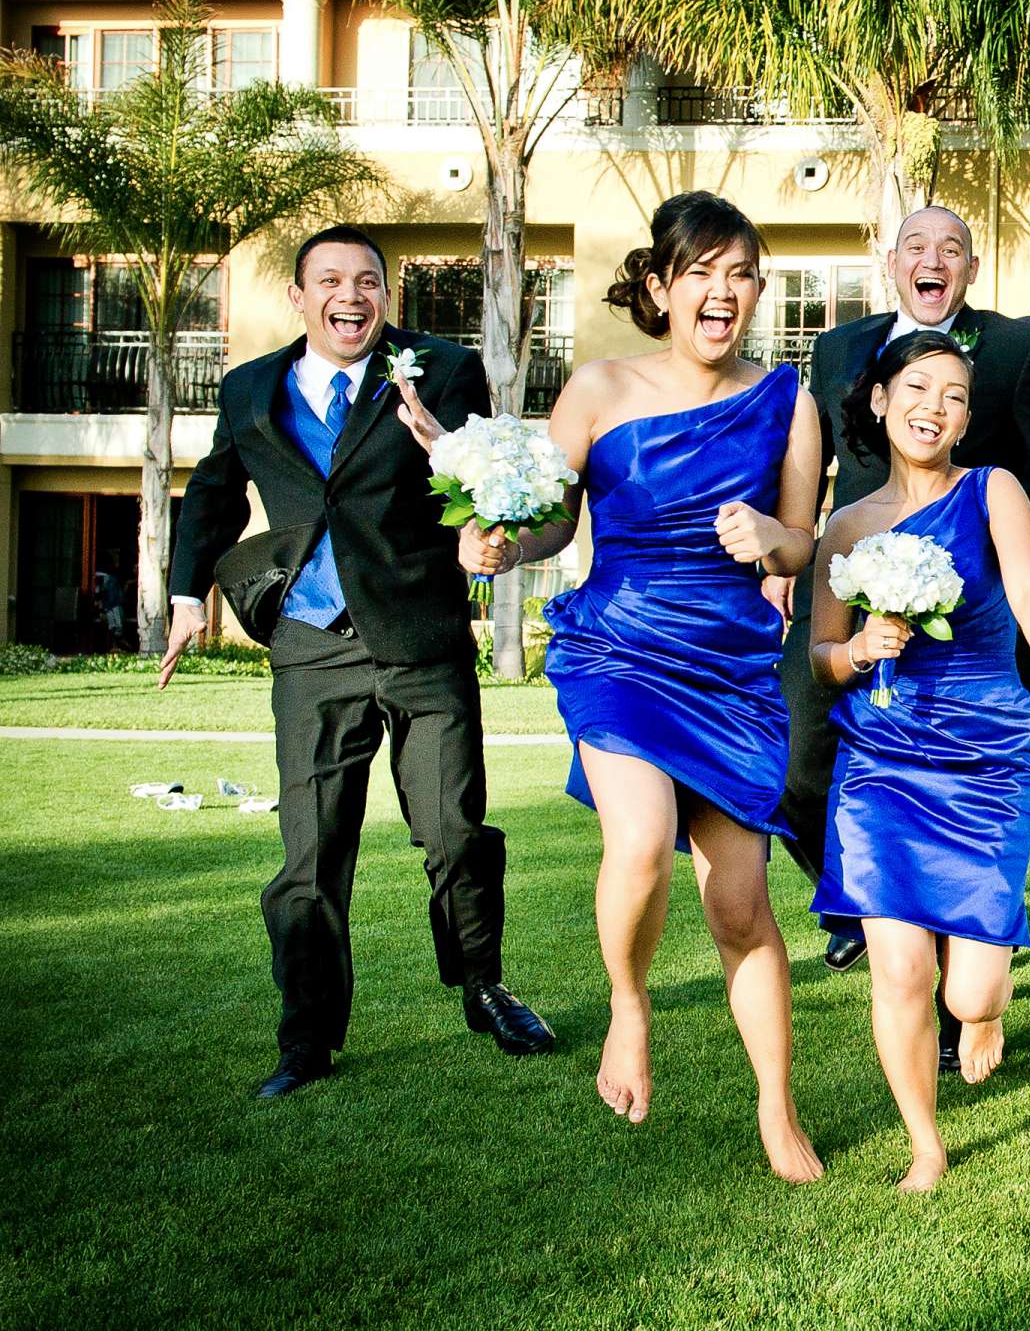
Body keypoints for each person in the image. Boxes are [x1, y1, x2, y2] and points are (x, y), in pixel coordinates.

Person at [443, 192, 825, 1182]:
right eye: (703, 272)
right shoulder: (599, 389)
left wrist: (770, 541)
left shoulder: (790, 400)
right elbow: (550, 523)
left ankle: (777, 1108)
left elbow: (802, 542)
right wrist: (495, 543)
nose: (724, 292)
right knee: (643, 837)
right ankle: (628, 1004)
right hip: (619, 649)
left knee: (741, 908)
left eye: (741, 274)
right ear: (660, 285)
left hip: (732, 670)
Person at [161, 225, 553, 1100]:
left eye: (369, 280)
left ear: (388, 294)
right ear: (299, 298)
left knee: (455, 832)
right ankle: (305, 1039)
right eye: (331, 280)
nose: (352, 294)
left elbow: (493, 480)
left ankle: (483, 985)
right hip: (311, 647)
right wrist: (189, 597)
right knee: (310, 853)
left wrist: (451, 473)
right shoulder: (250, 389)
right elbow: (216, 496)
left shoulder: (441, 371)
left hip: (421, 638)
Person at [773, 205, 1030, 979]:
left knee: (963, 792)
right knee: (789, 769)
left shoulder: (1019, 346)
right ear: (892, 261)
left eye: (952, 248)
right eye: (917, 245)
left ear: (971, 270)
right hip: (848, 581)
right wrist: (789, 554)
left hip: (970, 618)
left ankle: (950, 952)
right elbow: (811, 459)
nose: (933, 258)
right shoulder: (838, 346)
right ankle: (860, 894)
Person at [808, 330, 1030, 1191]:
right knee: (899, 969)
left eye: (956, 395)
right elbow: (820, 655)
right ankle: (924, 1143)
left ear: (968, 419)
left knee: (967, 992)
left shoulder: (991, 490)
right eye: (919, 388)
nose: (936, 406)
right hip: (883, 757)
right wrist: (860, 647)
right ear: (882, 400)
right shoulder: (847, 528)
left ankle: (983, 1012)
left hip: (984, 750)